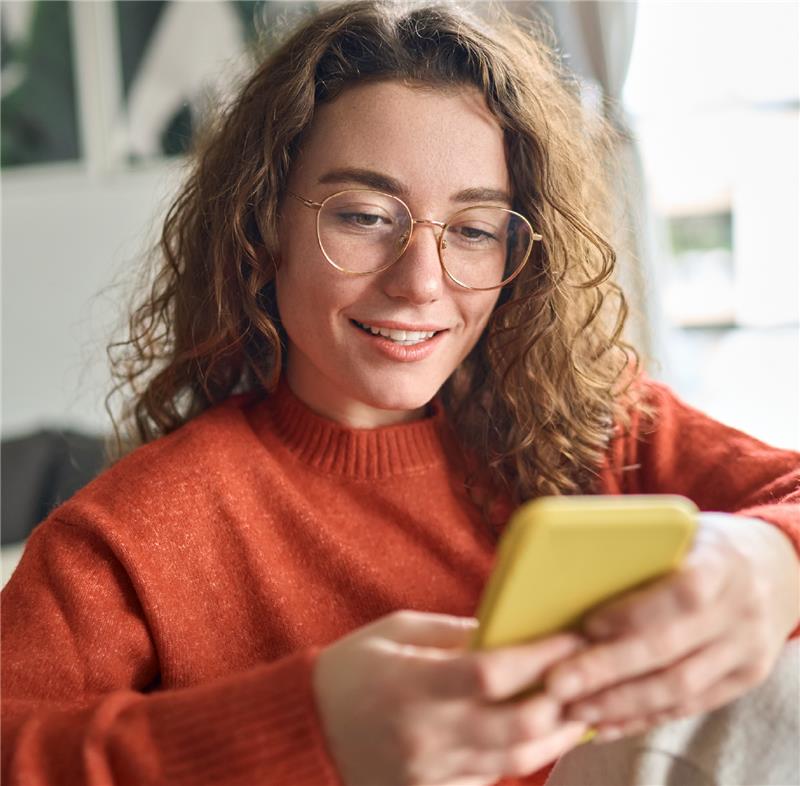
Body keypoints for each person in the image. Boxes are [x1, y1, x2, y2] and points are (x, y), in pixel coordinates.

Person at [2, 2, 798, 785]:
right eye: (364, 216)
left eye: (476, 230)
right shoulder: (126, 542)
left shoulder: (598, 425)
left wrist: (766, 566)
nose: (421, 282)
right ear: (262, 226)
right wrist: (309, 730)